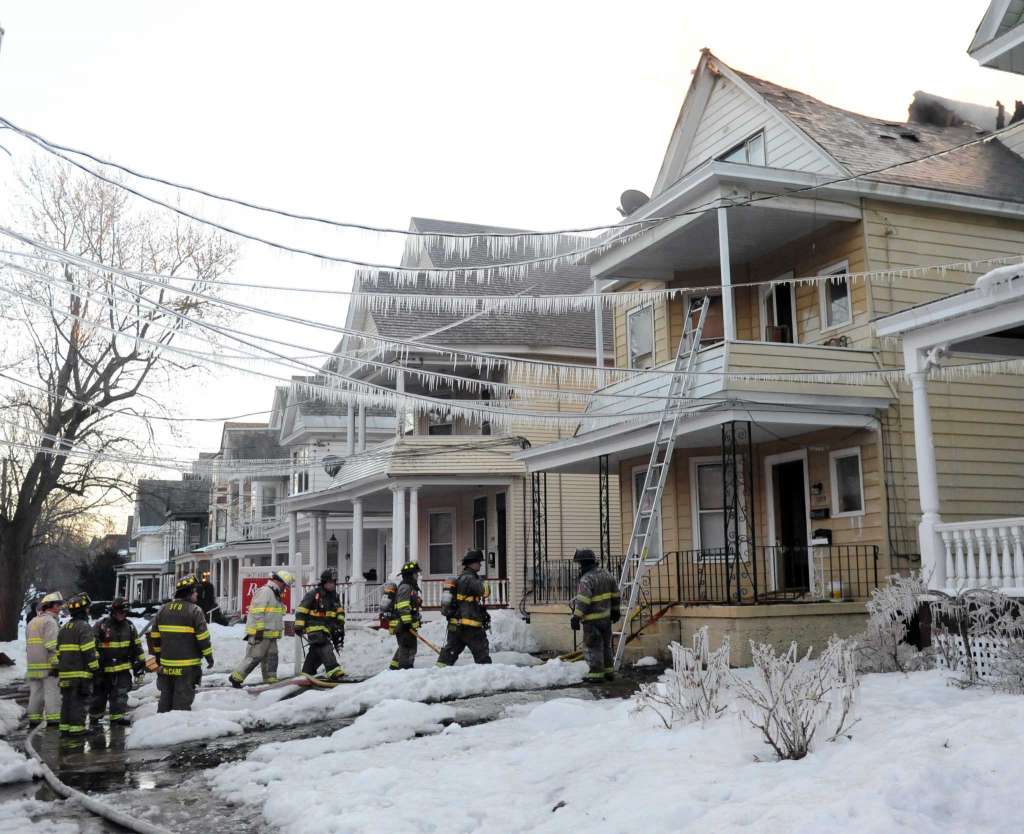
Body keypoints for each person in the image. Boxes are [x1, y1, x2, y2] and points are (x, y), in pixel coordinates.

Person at [147, 574, 214, 713]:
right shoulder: (195, 610)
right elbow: (203, 638)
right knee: (182, 701)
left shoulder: (163, 609)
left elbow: (154, 636)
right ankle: (177, 728)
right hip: (187, 666)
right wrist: (209, 657)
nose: (197, 594)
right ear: (189, 593)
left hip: (166, 665)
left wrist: (158, 656)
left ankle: (160, 727)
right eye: (195, 591)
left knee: (165, 697)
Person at [229, 570, 294, 687]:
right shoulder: (265, 592)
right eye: (285, 585)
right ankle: (236, 677)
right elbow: (258, 612)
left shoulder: (275, 594)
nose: (285, 588)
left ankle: (270, 679)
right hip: (261, 633)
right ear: (279, 582)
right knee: (255, 656)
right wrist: (259, 630)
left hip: (270, 634)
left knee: (272, 657)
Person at [90, 598, 146, 726]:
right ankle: (95, 719)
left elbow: (137, 647)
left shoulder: (130, 627)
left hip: (122, 670)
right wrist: (95, 664)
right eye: (119, 612)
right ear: (113, 612)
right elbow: (91, 646)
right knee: (99, 697)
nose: (122, 615)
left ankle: (117, 718)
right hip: (103, 670)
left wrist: (139, 667)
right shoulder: (102, 625)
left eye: (124, 612)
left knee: (120, 695)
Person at [570, 549, 621, 683]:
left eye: (580, 564)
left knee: (593, 647)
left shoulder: (586, 579)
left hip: (592, 621)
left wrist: (576, 617)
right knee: (606, 646)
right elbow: (616, 595)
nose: (579, 567)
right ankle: (609, 672)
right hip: (606, 619)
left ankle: (596, 675)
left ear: (584, 563)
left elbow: (583, 601)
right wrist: (616, 610)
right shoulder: (607, 575)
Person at [436, 550, 492, 667]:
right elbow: (485, 592)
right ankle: (487, 677)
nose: (480, 565)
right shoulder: (470, 578)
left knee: (449, 653)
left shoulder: (461, 578)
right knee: (482, 653)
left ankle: (438, 673)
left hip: (455, 624)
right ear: (472, 563)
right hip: (469, 625)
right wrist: (483, 580)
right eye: (479, 562)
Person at [56, 592, 99, 737]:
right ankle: (77, 729)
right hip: (80, 674)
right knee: (78, 703)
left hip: (65, 674)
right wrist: (95, 668)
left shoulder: (64, 628)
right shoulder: (84, 627)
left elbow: (58, 652)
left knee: (66, 703)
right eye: (87, 608)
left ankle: (65, 729)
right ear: (84, 610)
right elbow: (88, 650)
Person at [294, 568, 345, 680]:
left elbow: (340, 611)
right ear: (324, 582)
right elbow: (301, 610)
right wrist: (299, 626)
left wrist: (339, 623)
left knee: (316, 651)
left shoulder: (334, 596)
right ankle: (333, 670)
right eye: (330, 582)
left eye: (334, 582)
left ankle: (307, 672)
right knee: (324, 644)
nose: (333, 585)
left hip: (328, 628)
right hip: (314, 627)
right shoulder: (313, 594)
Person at [25, 592, 63, 728]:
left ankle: (34, 720)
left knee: (36, 694)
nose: (60, 608)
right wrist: (57, 664)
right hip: (48, 665)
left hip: (33, 665)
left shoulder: (32, 622)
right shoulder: (50, 622)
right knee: (52, 693)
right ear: (50, 606)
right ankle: (54, 721)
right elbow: (52, 645)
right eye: (58, 605)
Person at [385, 562, 423, 670]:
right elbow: (402, 606)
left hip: (406, 624)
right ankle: (405, 670)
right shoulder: (406, 587)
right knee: (408, 648)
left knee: (404, 647)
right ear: (410, 574)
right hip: (403, 625)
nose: (417, 576)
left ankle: (394, 667)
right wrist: (407, 623)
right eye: (416, 573)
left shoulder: (410, 587)